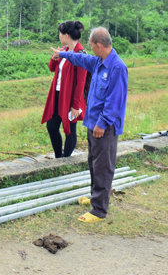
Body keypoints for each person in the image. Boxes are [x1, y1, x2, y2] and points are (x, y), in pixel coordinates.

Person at [50, 27, 128, 223]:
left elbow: (114, 101)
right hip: (93, 123)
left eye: (92, 45)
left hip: (104, 127)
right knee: (94, 163)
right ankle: (95, 198)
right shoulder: (98, 62)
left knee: (103, 167)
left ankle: (99, 210)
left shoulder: (117, 67)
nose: (90, 48)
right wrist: (62, 54)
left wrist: (102, 124)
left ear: (99, 45)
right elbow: (81, 59)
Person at [41, 21, 87, 158]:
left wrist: (76, 105)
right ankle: (58, 157)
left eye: (60, 34)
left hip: (70, 96)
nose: (59, 36)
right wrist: (55, 57)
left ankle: (66, 159)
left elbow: (81, 82)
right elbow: (52, 68)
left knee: (69, 129)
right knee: (52, 126)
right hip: (57, 94)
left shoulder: (80, 54)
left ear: (66, 35)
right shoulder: (64, 50)